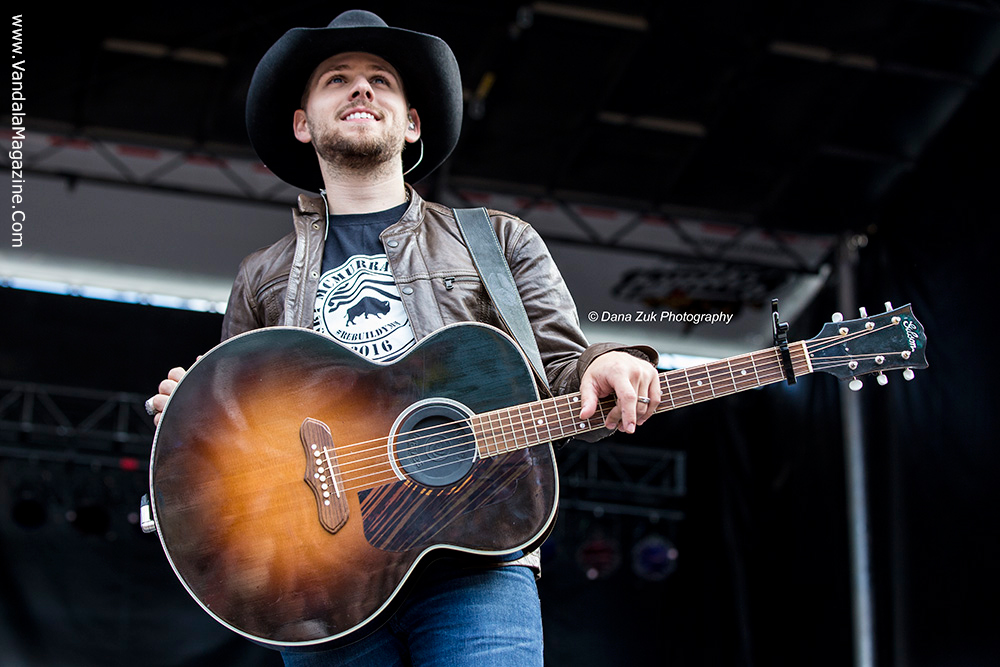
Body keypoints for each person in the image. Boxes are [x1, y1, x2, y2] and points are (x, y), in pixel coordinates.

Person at [146, 10, 661, 666]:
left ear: (412, 122)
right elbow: (239, 451)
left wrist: (603, 364)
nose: (361, 88)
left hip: (477, 560)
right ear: (303, 123)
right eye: (337, 78)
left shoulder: (497, 242)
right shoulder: (262, 276)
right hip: (324, 584)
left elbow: (559, 368)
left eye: (381, 80)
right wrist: (195, 420)